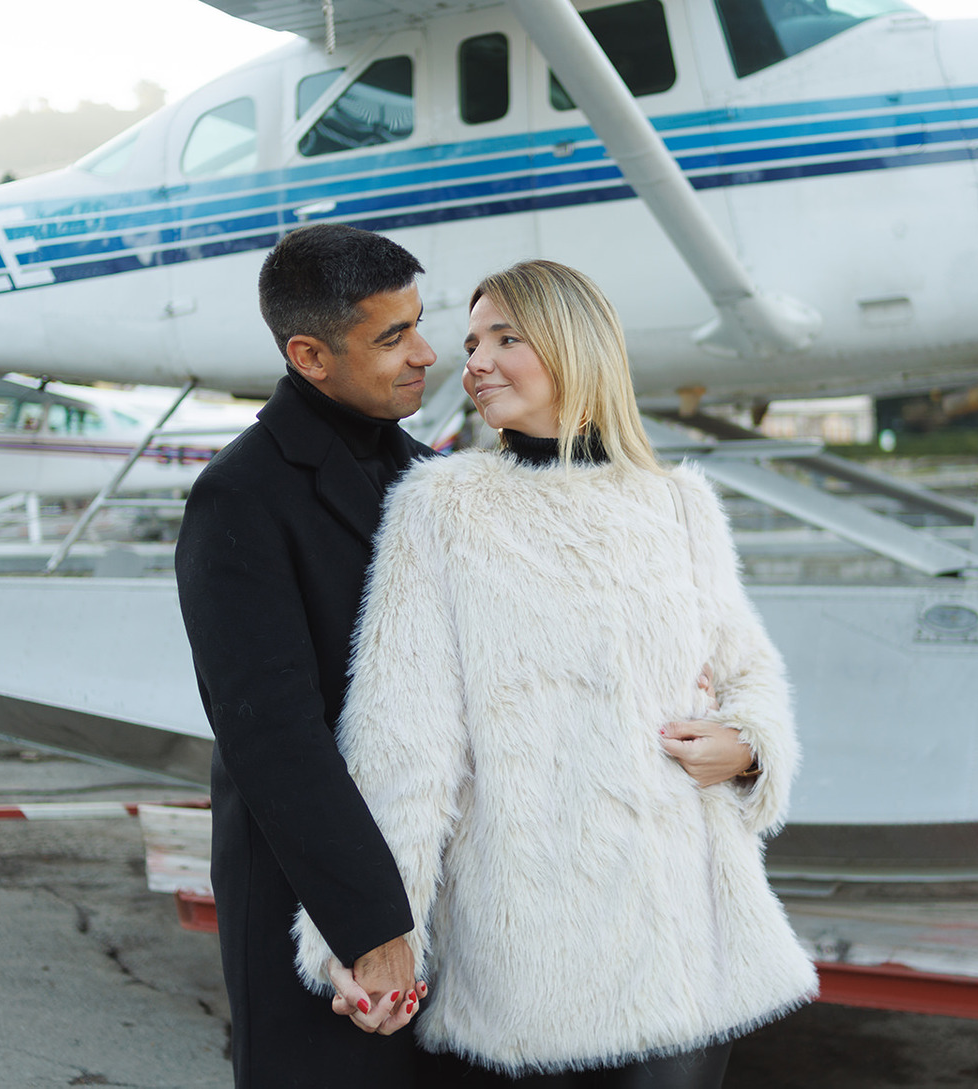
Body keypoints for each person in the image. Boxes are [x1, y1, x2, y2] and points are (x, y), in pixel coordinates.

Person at [294, 260, 818, 1086]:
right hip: (533, 950)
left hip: (688, 941)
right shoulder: (442, 506)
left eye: (506, 337)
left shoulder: (679, 502)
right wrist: (368, 936)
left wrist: (750, 746)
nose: (476, 361)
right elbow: (405, 745)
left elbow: (748, 669)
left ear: (575, 345)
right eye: (472, 343)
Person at [175, 224, 439, 1088]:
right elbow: (273, 736)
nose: (425, 353)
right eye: (393, 336)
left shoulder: (429, 477)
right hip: (315, 897)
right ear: (310, 355)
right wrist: (370, 923)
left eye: (419, 324)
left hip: (434, 885)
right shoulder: (239, 496)